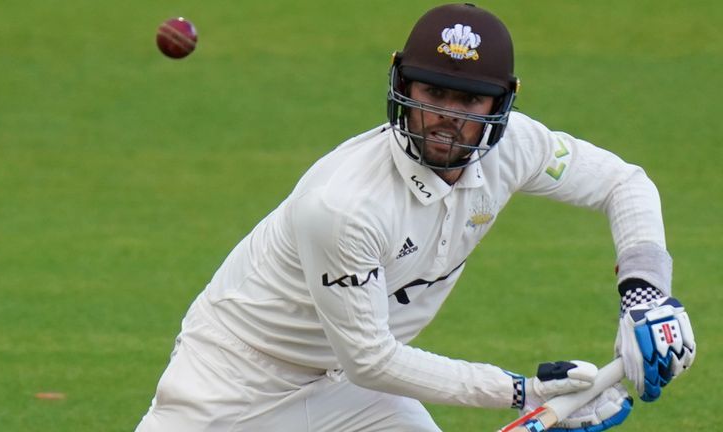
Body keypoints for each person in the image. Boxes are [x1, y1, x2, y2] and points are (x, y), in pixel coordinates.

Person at [135, 3, 696, 431]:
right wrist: (523, 392)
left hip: (357, 398)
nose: (445, 118)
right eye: (431, 92)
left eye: (469, 101)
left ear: (500, 105)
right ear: (402, 87)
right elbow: (372, 360)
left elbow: (626, 184)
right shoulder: (343, 206)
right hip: (235, 381)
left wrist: (645, 296)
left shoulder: (517, 147)